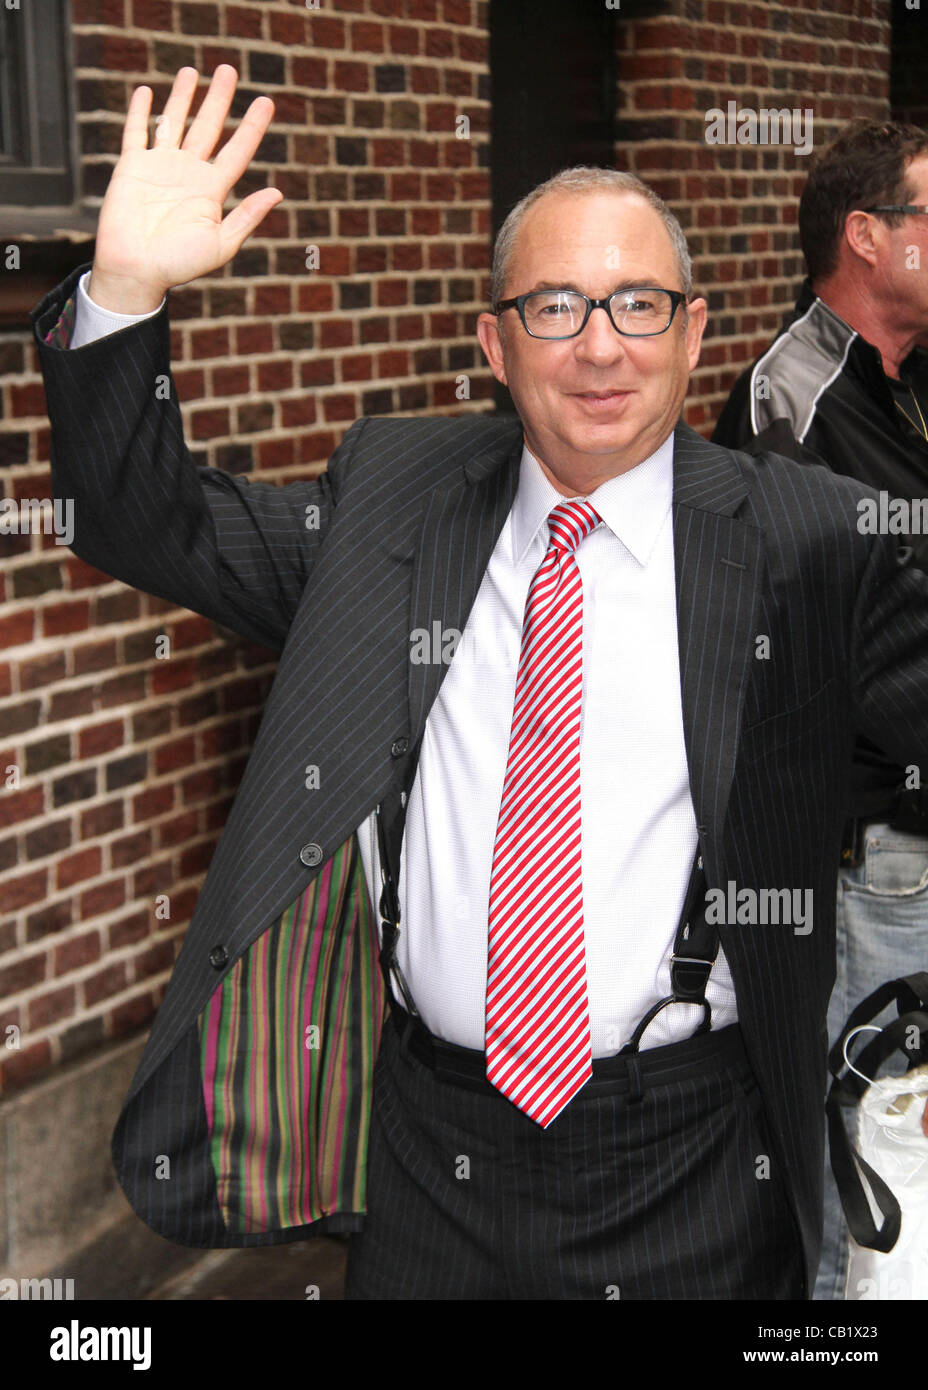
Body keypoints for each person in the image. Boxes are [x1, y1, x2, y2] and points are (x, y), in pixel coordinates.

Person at [31, 68, 928, 1301]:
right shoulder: (396, 504)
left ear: (696, 332)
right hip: (429, 1150)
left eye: (638, 304)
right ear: (494, 347)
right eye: (555, 306)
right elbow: (145, 523)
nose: (601, 343)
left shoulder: (807, 537)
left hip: (696, 1152)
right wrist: (125, 292)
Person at [713, 118, 928, 1301]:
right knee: (869, 1145)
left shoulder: (911, 378)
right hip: (876, 859)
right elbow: (824, 642)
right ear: (867, 235)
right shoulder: (790, 396)